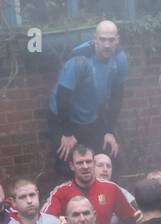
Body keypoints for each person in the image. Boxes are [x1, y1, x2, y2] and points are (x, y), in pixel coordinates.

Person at [48, 21, 128, 176]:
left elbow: (117, 96)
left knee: (106, 155)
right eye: (103, 39)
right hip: (63, 115)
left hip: (92, 114)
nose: (107, 45)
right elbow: (62, 97)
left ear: (117, 40)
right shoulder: (79, 59)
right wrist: (67, 133)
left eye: (111, 40)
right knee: (68, 163)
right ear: (95, 38)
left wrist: (109, 130)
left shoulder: (120, 59)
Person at [44, 145, 137, 224]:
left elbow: (132, 220)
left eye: (88, 162)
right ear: (72, 166)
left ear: (93, 163)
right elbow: (43, 222)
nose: (85, 166)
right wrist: (56, 221)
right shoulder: (60, 192)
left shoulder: (111, 188)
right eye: (80, 163)